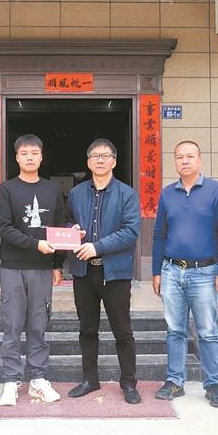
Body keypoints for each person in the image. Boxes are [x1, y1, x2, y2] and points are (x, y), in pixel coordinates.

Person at [151, 140, 218, 408]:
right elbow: (159, 235)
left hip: (205, 273)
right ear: (174, 161)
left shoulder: (216, 191)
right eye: (179, 157)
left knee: (207, 331)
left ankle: (213, 384)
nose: (184, 161)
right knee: (174, 330)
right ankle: (175, 381)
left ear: (199, 160)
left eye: (189, 156)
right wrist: (156, 272)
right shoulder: (167, 194)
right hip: (172, 271)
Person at [65, 138, 142, 405]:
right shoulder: (76, 193)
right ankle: (90, 379)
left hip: (115, 273)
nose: (100, 159)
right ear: (88, 162)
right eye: (95, 155)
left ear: (114, 162)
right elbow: (67, 221)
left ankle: (129, 383)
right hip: (84, 272)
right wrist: (73, 230)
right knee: (87, 329)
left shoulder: (127, 194)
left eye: (105, 155)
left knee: (123, 331)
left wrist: (97, 247)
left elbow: (130, 232)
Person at [0, 134, 65, 406]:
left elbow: (59, 227)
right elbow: (5, 229)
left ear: (41, 156)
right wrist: (36, 244)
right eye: (24, 153)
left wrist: (57, 264)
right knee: (12, 324)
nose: (30, 157)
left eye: (34, 153)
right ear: (17, 157)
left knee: (38, 324)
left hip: (42, 269)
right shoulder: (7, 189)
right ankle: (11, 380)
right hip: (13, 267)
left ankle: (37, 379)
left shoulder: (52, 190)